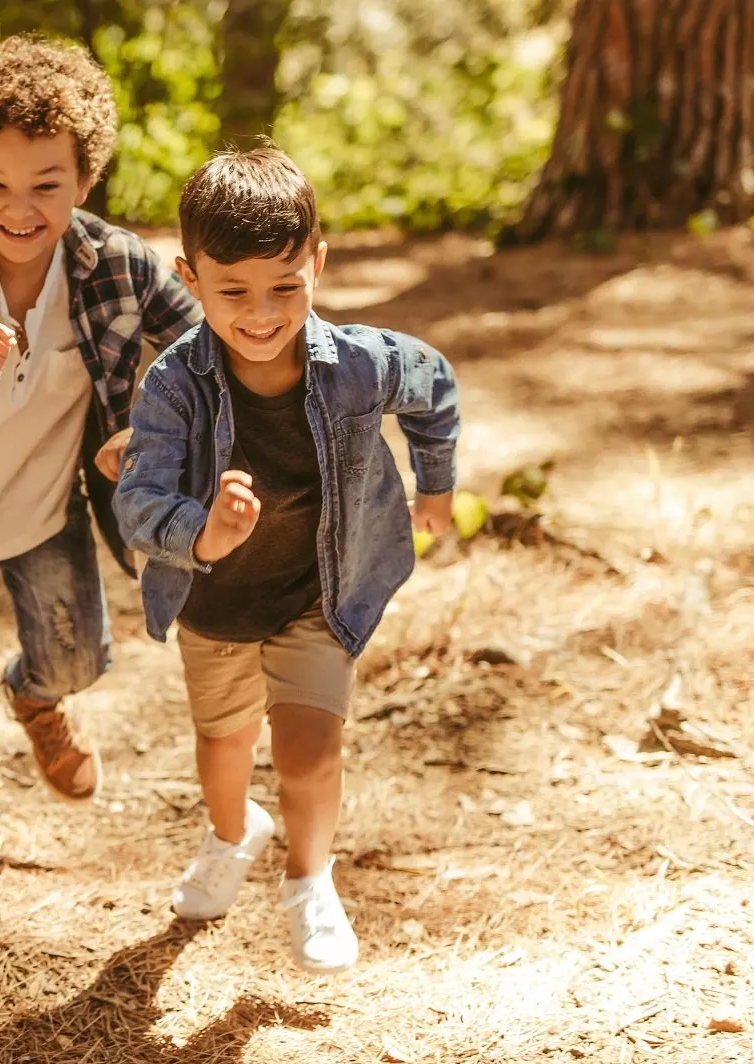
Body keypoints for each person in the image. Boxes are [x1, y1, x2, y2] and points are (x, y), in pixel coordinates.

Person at [113, 147, 461, 973]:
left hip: (320, 592)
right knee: (224, 746)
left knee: (309, 753)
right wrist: (203, 531)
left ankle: (310, 880)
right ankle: (233, 833)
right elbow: (138, 499)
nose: (261, 312)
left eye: (286, 286)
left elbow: (436, 386)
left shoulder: (361, 363)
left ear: (319, 263)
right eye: (233, 290)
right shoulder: (174, 385)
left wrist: (436, 488)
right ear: (190, 277)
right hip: (215, 605)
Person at [0, 35, 201, 854]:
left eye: (47, 185)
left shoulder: (118, 266)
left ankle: (37, 698)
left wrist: (146, 430)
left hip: (45, 510)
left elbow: (205, 348)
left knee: (80, 658)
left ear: (85, 180)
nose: (20, 209)